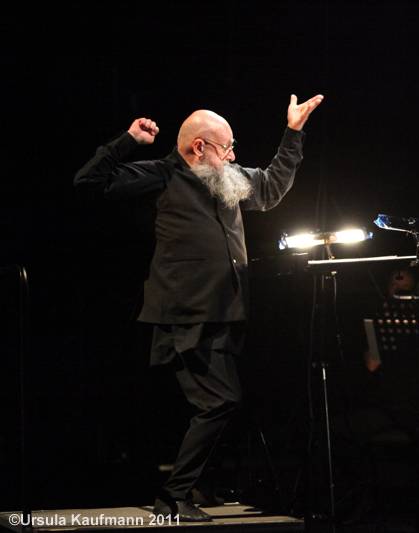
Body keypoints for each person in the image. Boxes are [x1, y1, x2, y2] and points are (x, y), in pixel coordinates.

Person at [74, 94, 324, 521]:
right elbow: (89, 182)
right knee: (220, 401)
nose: (232, 155)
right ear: (199, 148)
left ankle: (186, 490)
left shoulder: (228, 178)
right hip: (186, 314)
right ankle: (173, 497)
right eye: (226, 147)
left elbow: (269, 188)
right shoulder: (165, 175)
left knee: (219, 403)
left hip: (225, 312)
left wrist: (293, 133)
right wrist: (128, 141)